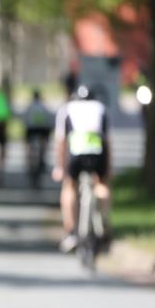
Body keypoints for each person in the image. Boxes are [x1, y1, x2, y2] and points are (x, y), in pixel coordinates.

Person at [53, 85, 111, 253]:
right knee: (101, 185)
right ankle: (105, 223)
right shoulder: (101, 108)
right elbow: (108, 141)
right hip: (98, 154)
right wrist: (109, 168)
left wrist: (59, 167)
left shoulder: (67, 109)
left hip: (76, 155)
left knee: (69, 186)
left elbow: (61, 141)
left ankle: (71, 231)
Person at [23, 89, 54, 188]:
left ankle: (29, 159)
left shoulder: (30, 106)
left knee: (28, 144)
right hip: (42, 129)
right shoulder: (44, 106)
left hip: (31, 129)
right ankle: (43, 156)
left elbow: (25, 119)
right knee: (44, 143)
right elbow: (50, 120)